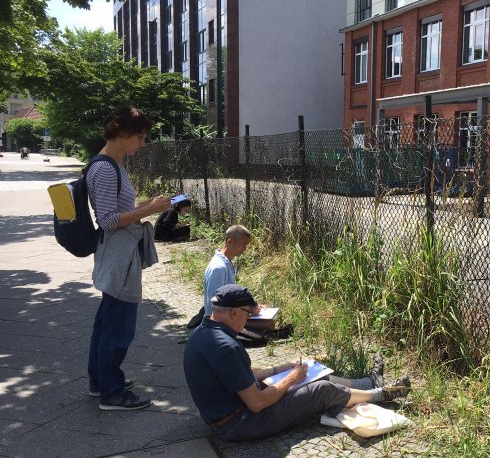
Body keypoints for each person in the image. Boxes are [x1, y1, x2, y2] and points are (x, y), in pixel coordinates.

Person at [183, 284, 412, 441]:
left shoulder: (203, 334)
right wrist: (293, 378)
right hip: (240, 423)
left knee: (312, 372)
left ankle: (368, 382)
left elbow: (238, 376)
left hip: (229, 416)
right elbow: (257, 403)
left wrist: (280, 369)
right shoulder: (227, 347)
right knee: (319, 389)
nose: (249, 320)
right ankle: (383, 394)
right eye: (247, 314)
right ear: (233, 312)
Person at [86, 106, 172, 411]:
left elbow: (118, 211)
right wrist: (148, 210)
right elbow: (109, 219)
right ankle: (112, 392)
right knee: (119, 326)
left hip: (119, 249)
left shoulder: (112, 163)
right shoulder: (106, 168)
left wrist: (148, 204)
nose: (143, 143)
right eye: (140, 136)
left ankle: (101, 381)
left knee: (107, 319)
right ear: (121, 134)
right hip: (119, 252)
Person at [202, 224, 252, 317]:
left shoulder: (227, 263)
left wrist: (250, 306)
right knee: (267, 324)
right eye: (243, 245)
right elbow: (214, 305)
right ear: (229, 242)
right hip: (219, 323)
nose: (245, 249)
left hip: (228, 318)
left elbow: (229, 297)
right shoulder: (219, 268)